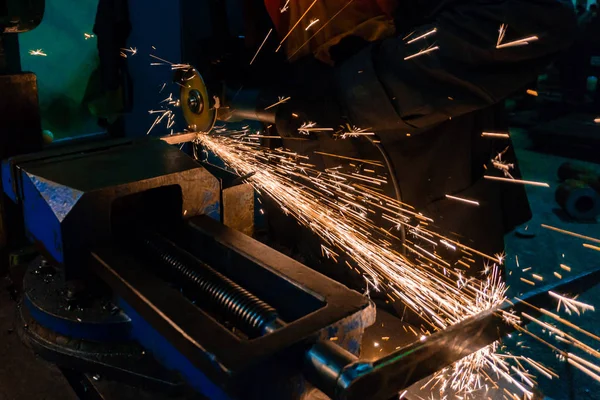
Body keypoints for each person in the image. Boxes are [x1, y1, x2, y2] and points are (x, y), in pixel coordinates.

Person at [259, 0, 576, 286]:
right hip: (310, 213)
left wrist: (351, 91)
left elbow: (532, 18)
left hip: (428, 219)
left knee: (436, 345)